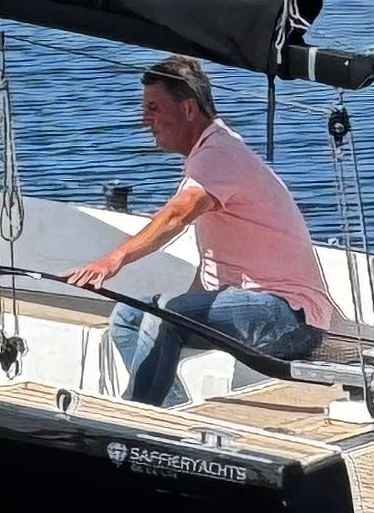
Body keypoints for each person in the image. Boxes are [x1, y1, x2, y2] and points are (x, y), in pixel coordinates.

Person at [67, 54, 334, 407]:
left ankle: (137, 413)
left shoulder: (220, 154)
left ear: (189, 110)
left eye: (154, 108)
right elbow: (215, 261)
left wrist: (114, 259)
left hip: (289, 318)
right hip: (253, 306)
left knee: (166, 314)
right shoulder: (208, 153)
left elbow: (179, 214)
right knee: (127, 318)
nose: (144, 119)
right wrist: (193, 298)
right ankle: (170, 408)